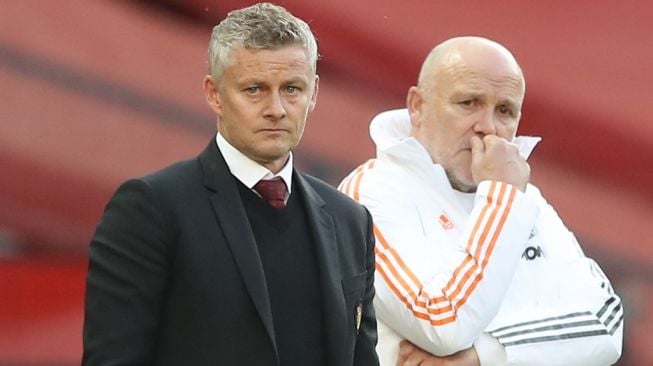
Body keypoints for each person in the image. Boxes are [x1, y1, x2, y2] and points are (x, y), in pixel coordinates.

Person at [82, 3, 379, 365]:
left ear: (314, 92)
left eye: (292, 89)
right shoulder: (150, 209)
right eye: (254, 89)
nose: (277, 108)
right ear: (214, 93)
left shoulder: (349, 221)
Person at [339, 36, 623, 365]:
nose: (488, 128)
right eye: (468, 103)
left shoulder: (524, 199)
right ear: (417, 106)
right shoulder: (371, 192)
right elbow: (442, 322)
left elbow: (606, 326)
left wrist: (482, 356)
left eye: (505, 111)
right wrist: (502, 196)